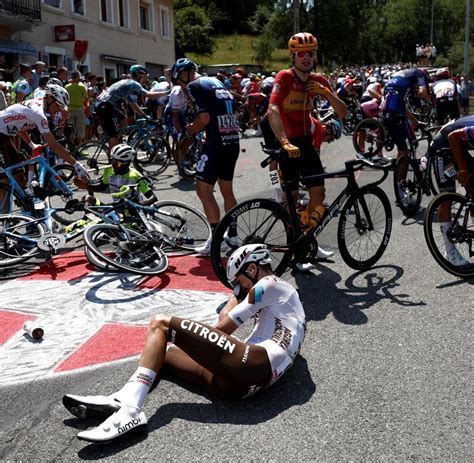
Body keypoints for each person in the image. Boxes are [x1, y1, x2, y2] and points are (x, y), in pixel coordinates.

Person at [62, 243, 306, 443]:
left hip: (250, 365)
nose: (239, 288)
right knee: (164, 355)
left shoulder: (269, 284)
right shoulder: (288, 306)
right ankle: (122, 399)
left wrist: (235, 297)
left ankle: (130, 409)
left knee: (162, 324)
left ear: (252, 269)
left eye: (239, 281)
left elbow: (223, 329)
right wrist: (236, 295)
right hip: (239, 388)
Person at [266, 32, 347, 271]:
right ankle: (295, 249)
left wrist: (325, 93)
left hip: (305, 143)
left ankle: (308, 240)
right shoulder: (285, 77)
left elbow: (342, 113)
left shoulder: (319, 80)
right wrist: (283, 141)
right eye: (301, 54)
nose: (306, 57)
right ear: (293, 56)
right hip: (284, 141)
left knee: (318, 196)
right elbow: (272, 109)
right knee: (288, 199)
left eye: (310, 53)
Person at [170, 58, 240, 255]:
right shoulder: (216, 81)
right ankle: (232, 235)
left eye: (179, 84)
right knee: (227, 190)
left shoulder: (194, 86)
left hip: (216, 143)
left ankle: (217, 240)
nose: (183, 91)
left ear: (183, 76)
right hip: (232, 139)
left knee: (203, 190)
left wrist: (189, 130)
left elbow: (204, 118)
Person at [0, 83, 88, 179]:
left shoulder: (40, 105)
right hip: (2, 135)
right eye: (59, 104)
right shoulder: (39, 113)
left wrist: (31, 144)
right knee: (6, 180)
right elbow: (53, 145)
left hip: (5, 135)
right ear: (49, 98)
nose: (59, 109)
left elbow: (20, 126)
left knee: (20, 178)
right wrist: (76, 164)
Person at [427, 116, 474, 266]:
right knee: (446, 198)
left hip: (458, 146)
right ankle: (449, 250)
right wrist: (462, 169)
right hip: (443, 146)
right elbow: (453, 136)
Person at [95, 65, 169, 152]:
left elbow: (132, 104)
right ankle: (112, 159)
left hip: (102, 104)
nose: (145, 80)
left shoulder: (127, 83)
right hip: (105, 106)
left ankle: (117, 140)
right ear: (139, 76)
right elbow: (150, 95)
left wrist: (143, 115)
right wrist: (167, 92)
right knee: (114, 135)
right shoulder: (134, 84)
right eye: (144, 77)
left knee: (124, 119)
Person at [74, 143, 157, 206]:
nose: (113, 165)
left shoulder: (135, 176)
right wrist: (86, 186)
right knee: (87, 199)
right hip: (115, 209)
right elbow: (101, 187)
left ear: (126, 163)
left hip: (133, 211)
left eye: (117, 163)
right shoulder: (110, 171)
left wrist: (141, 204)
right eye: (112, 161)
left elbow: (153, 198)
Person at [381, 67, 431, 162]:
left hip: (390, 92)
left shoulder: (405, 77)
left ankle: (398, 169)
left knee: (401, 148)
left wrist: (416, 122)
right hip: (396, 115)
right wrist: (424, 98)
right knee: (405, 151)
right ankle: (401, 176)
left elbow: (403, 107)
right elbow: (423, 93)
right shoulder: (420, 73)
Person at [65, 71, 88, 147]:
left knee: (71, 129)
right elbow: (85, 99)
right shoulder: (81, 86)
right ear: (77, 77)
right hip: (79, 110)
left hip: (69, 110)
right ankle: (79, 147)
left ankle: (71, 147)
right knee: (80, 129)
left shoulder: (67, 87)